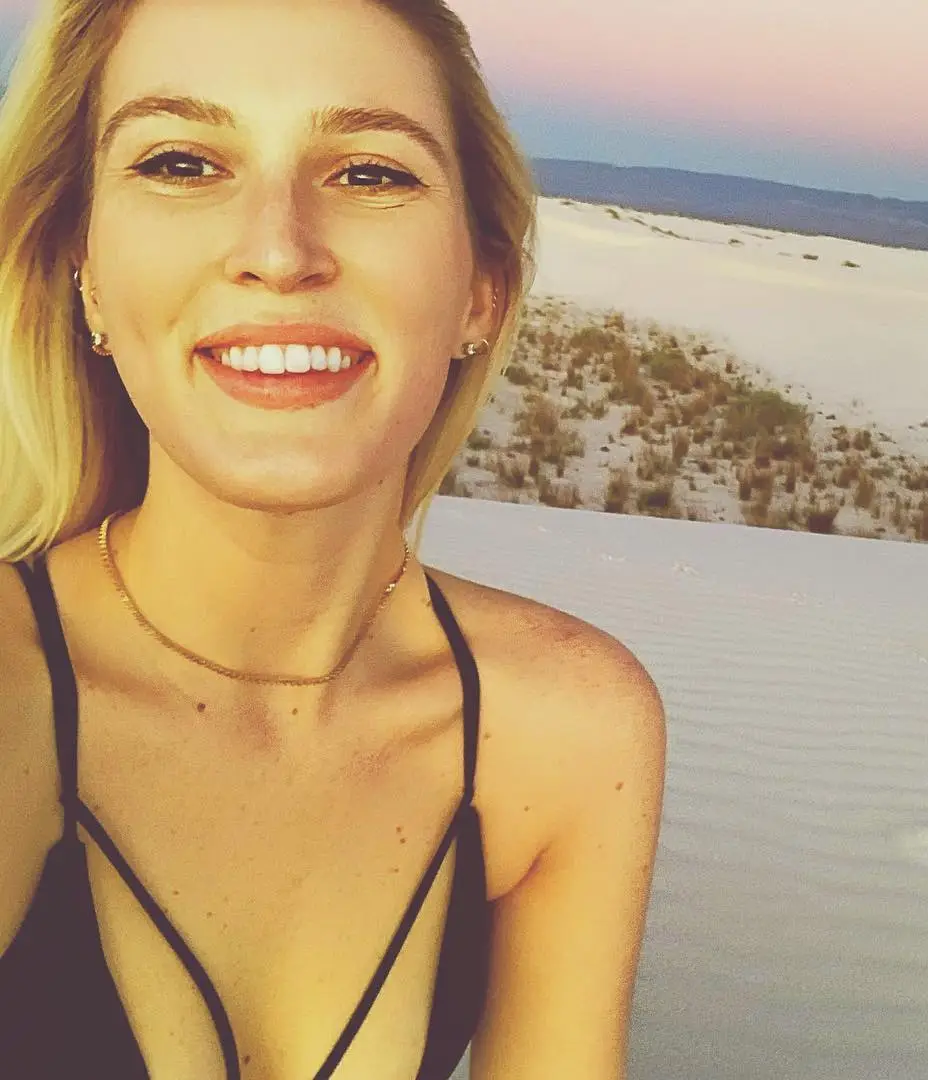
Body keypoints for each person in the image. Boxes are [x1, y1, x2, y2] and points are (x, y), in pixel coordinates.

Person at [0, 0, 668, 1077]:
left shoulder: (568, 732)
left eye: (370, 173)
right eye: (179, 162)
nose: (276, 249)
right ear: (84, 274)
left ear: (480, 291)